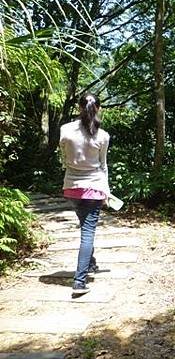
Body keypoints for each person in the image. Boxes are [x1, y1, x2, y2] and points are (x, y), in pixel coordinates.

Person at [59, 94, 110, 295]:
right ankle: (79, 282)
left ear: (80, 108)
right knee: (87, 233)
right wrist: (106, 191)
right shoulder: (103, 136)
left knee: (85, 227)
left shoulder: (65, 130)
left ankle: (91, 262)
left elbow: (64, 155)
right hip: (94, 187)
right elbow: (103, 165)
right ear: (98, 108)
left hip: (71, 187)